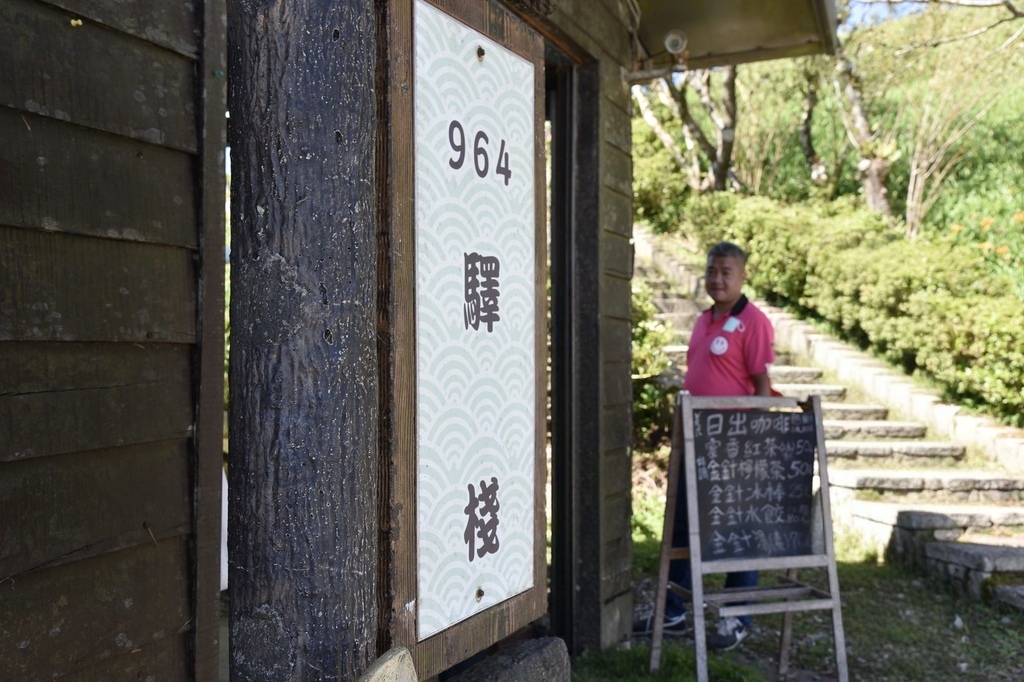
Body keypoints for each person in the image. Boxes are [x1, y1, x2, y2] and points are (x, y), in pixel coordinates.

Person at [634, 241, 775, 652]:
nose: (717, 279)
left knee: (735, 531)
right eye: (712, 271)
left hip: (733, 448)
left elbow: (762, 389)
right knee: (682, 526)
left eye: (726, 272)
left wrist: (753, 447)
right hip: (696, 443)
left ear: (743, 275)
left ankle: (737, 617)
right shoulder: (702, 320)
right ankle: (674, 610)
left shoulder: (754, 322)